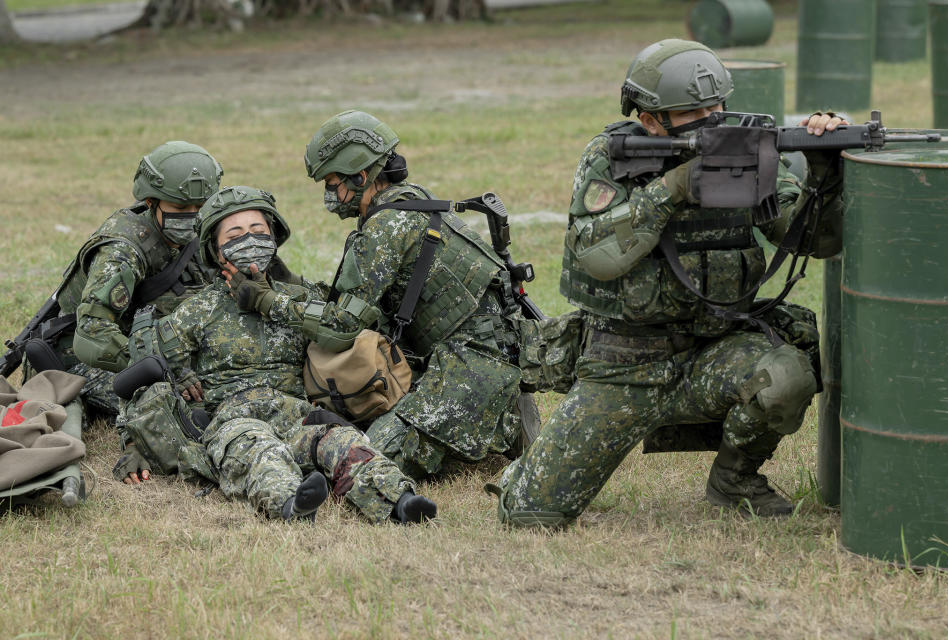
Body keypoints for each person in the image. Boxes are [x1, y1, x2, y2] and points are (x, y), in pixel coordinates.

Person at [490, 39, 846, 527]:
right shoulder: (611, 157)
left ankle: (734, 480)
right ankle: (525, 475)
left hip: (716, 348)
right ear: (650, 119)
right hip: (625, 364)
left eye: (717, 104)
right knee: (530, 516)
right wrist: (674, 188)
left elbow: (812, 240)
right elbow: (596, 254)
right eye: (692, 111)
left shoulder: (746, 150)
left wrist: (823, 173)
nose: (712, 118)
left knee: (785, 376)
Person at [227, 110, 579, 480]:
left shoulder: (383, 229)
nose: (329, 195)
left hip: (469, 363)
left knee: (367, 460)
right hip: (482, 345)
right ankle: (500, 404)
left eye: (332, 183)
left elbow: (340, 327)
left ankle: (500, 416)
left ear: (361, 177)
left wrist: (266, 301)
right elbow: (358, 301)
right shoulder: (411, 200)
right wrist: (289, 282)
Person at [133, 185, 436, 523]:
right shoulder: (201, 308)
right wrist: (142, 432)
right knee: (260, 448)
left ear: (273, 238)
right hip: (235, 419)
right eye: (235, 234)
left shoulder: (298, 299)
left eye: (258, 231)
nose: (249, 240)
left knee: (342, 440)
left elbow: (338, 328)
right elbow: (148, 361)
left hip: (296, 412)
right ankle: (292, 504)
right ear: (217, 252)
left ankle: (400, 501)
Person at [16, 142, 224, 437]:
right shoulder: (122, 251)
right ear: (152, 202)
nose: (192, 216)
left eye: (200, 207)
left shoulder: (199, 233)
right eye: (180, 208)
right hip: (82, 355)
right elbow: (92, 333)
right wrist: (165, 368)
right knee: (171, 403)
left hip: (146, 339)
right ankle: (70, 392)